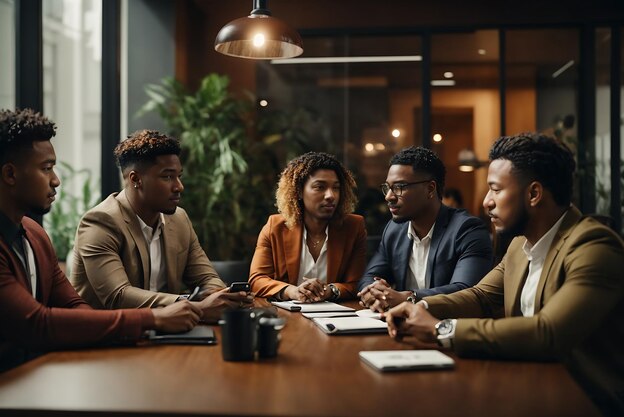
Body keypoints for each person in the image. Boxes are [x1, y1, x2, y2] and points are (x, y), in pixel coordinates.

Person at [385, 133, 624, 417]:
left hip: (589, 400)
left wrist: (443, 330)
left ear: (534, 194)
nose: (486, 202)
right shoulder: (518, 247)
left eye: (496, 190)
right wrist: (418, 306)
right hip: (530, 386)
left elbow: (548, 333)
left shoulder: (594, 246)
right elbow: (481, 296)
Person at [0, 109, 201, 371]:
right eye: (46, 168)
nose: (56, 180)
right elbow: (37, 324)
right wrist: (154, 319)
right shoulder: (99, 221)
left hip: (41, 373)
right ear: (10, 174)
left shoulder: (34, 234)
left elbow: (74, 306)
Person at [70, 130, 252, 323]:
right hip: (107, 340)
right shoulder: (100, 222)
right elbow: (119, 296)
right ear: (135, 179)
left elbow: (206, 277)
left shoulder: (179, 219)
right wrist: (192, 305)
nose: (179, 186)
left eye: (178, 176)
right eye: (167, 177)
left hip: (165, 332)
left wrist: (222, 296)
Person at [358, 146, 493, 312]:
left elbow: (465, 290)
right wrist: (373, 291)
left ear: (430, 189)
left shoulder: (467, 230)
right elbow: (369, 276)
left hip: (449, 330)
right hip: (400, 327)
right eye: (387, 187)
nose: (389, 197)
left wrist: (409, 297)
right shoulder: (394, 230)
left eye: (399, 187)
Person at [249, 152, 366, 301]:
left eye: (336, 188)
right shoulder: (275, 227)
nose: (330, 195)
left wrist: (330, 291)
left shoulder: (353, 227)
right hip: (288, 315)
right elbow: (256, 280)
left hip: (335, 317)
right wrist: (292, 291)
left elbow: (357, 283)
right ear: (298, 191)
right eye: (320, 187)